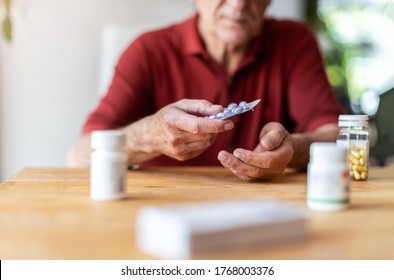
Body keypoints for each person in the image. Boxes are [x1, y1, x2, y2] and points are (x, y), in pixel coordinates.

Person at [67, 0, 345, 181]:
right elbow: (80, 154)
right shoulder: (147, 51)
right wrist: (151, 135)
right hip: (164, 210)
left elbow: (336, 136)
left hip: (263, 211)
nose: (238, 5)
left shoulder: (294, 43)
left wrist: (292, 150)